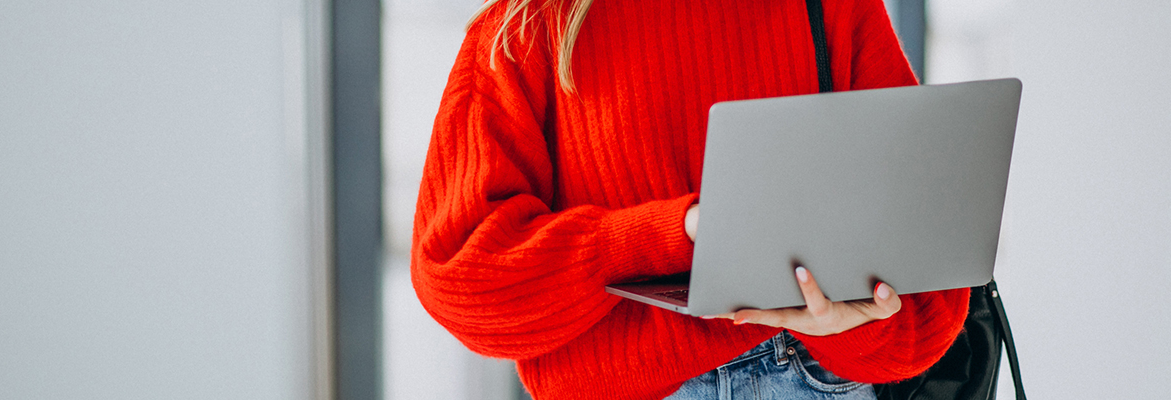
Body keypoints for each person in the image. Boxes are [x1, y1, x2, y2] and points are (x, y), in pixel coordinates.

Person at [410, 1, 969, 399]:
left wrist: (851, 324)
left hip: (812, 382)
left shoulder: (829, 7)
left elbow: (929, 310)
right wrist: (667, 235)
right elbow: (461, 276)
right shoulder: (528, 24)